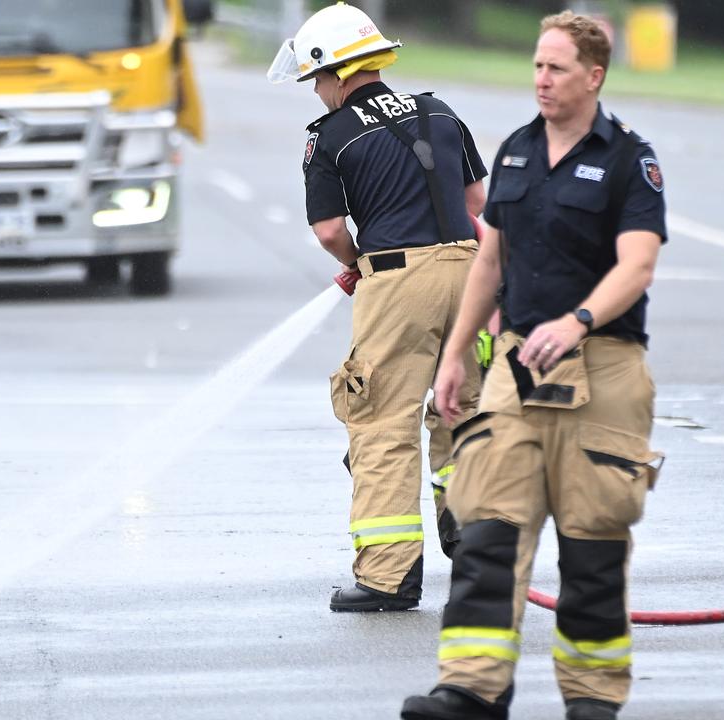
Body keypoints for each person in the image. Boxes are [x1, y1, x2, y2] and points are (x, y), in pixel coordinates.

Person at [401, 11, 666, 720]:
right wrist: (456, 354)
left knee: (591, 547)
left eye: (555, 68)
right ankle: (471, 688)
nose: (541, 80)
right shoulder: (516, 151)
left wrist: (578, 319)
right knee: (486, 528)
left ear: (594, 76)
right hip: (514, 371)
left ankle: (591, 700)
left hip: (603, 371)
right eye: (536, 67)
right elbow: (490, 259)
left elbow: (638, 262)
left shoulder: (627, 161)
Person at [268, 2, 487, 612]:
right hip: (468, 270)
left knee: (382, 420)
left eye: (315, 80)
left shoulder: (330, 137)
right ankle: (479, 550)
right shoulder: (441, 113)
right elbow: (476, 200)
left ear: (336, 72)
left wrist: (358, 260)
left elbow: (331, 229)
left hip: (396, 278)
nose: (315, 93)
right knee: (462, 408)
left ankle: (389, 577)